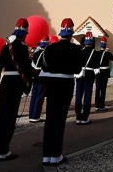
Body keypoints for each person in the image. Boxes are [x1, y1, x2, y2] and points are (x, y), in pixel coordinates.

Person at [0, 18, 33, 162]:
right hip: (15, 83)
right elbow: (26, 67)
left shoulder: (5, 47)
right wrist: (28, 85)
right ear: (25, 34)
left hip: (5, 83)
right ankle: (3, 150)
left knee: (2, 117)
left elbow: (1, 63)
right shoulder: (22, 47)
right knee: (9, 118)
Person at [41, 18, 82, 166]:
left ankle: (46, 155)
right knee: (60, 119)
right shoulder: (76, 49)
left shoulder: (50, 48)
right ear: (71, 33)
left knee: (50, 118)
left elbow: (44, 66)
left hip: (52, 83)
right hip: (66, 83)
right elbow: (78, 69)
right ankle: (56, 154)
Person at [75, 31, 97, 124]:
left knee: (78, 96)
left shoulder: (79, 52)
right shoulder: (95, 53)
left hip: (79, 75)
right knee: (87, 96)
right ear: (92, 43)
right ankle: (85, 117)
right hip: (89, 76)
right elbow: (97, 66)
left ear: (84, 42)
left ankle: (78, 116)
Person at [29, 37, 49, 123]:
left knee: (34, 95)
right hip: (42, 75)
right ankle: (35, 115)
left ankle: (31, 114)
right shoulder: (44, 54)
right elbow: (46, 65)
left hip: (35, 75)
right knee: (39, 96)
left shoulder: (35, 53)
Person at [94, 36, 113, 111]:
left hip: (98, 72)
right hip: (104, 72)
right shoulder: (107, 53)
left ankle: (96, 105)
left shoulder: (96, 53)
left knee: (97, 89)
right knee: (103, 89)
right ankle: (102, 105)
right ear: (105, 45)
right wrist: (109, 51)